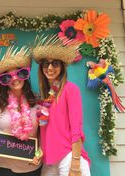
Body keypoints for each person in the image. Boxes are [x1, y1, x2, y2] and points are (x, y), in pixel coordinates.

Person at [32, 35, 91, 176]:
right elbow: (46, 133)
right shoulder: (46, 98)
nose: (50, 67)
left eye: (55, 64)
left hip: (69, 157)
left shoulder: (70, 89)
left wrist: (75, 164)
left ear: (62, 67)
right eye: (46, 64)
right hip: (49, 161)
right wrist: (39, 152)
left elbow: (76, 128)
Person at [0, 47, 42, 176]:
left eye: (20, 73)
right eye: (7, 77)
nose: (14, 79)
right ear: (3, 81)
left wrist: (39, 154)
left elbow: (42, 133)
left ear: (26, 75)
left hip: (29, 165)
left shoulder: (37, 100)